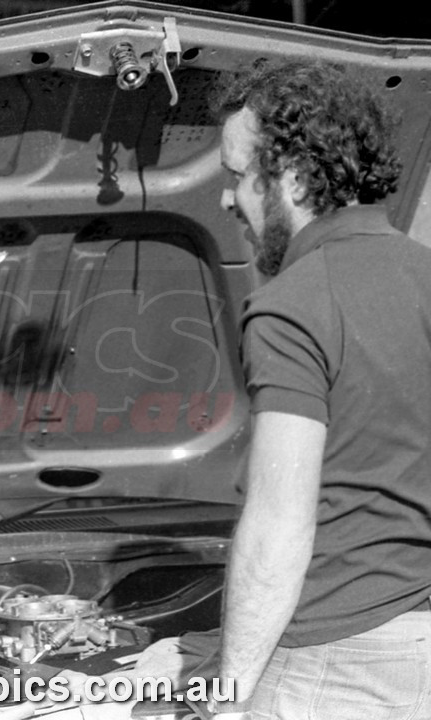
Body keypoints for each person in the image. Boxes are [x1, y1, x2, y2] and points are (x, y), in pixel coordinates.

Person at [210, 60, 431, 718]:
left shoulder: (295, 304)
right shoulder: (424, 273)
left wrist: (229, 694)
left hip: (332, 662)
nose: (226, 201)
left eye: (237, 176)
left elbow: (280, 523)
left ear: (296, 175)